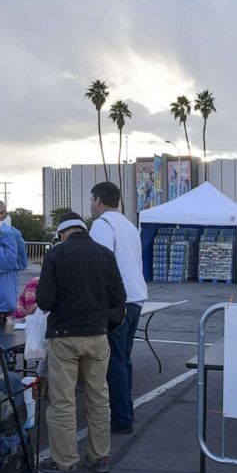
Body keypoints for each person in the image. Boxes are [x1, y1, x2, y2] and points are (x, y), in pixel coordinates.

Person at [36, 212, 125, 473]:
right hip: (97, 335)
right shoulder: (104, 254)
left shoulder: (55, 255)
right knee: (99, 398)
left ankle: (66, 462)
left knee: (63, 401)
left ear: (62, 234)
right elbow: (119, 298)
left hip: (64, 336)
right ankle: (100, 457)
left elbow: (44, 301)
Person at [89, 181, 148, 434]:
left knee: (113, 362)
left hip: (116, 303)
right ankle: (126, 412)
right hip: (136, 300)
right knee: (123, 360)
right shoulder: (128, 225)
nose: (91, 205)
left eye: (92, 200)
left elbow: (98, 264)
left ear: (98, 200)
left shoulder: (102, 225)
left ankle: (120, 420)